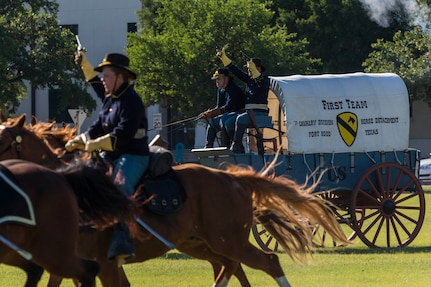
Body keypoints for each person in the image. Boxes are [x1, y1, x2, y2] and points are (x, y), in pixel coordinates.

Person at [65, 51, 150, 266]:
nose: (103, 80)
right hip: (110, 156)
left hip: (132, 156)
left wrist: (92, 145)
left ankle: (123, 242)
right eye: (103, 76)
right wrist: (80, 140)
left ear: (121, 77)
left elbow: (122, 136)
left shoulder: (132, 101)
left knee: (119, 188)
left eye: (107, 76)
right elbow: (96, 127)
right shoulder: (111, 99)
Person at [216, 47, 270, 153]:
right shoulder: (249, 81)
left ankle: (236, 146)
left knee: (240, 119)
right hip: (249, 113)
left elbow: (259, 80)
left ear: (258, 69)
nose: (249, 71)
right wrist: (224, 58)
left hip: (260, 113)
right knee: (228, 122)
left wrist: (253, 70)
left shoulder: (265, 80)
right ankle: (236, 146)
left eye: (251, 69)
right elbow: (235, 70)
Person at [200, 68, 245, 148]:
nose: (217, 81)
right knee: (212, 121)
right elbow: (219, 107)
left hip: (238, 113)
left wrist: (213, 113)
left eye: (219, 79)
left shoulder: (234, 89)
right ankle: (208, 146)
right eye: (216, 79)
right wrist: (209, 113)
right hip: (227, 114)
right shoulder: (220, 90)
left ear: (226, 78)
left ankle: (226, 146)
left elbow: (228, 107)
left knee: (223, 120)